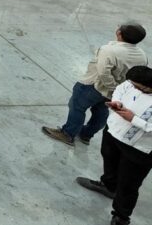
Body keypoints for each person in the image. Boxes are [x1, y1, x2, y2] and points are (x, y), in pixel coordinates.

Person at [44, 23, 148, 146]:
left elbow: (103, 72)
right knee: (101, 111)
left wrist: (112, 86)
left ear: (119, 33)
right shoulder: (142, 55)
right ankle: (86, 135)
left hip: (93, 86)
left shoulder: (109, 50)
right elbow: (137, 75)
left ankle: (67, 134)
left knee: (77, 107)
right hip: (112, 92)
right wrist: (117, 90)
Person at [76, 66, 152, 225]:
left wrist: (133, 119)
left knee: (128, 183)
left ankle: (121, 217)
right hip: (114, 132)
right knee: (109, 158)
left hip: (139, 148)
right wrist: (116, 101)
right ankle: (109, 186)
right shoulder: (131, 83)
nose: (133, 87)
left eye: (138, 87)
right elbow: (120, 88)